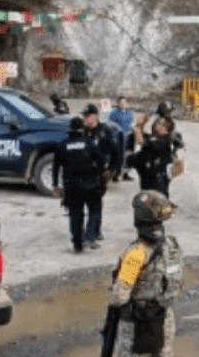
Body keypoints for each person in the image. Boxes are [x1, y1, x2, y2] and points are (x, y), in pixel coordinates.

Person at [108, 190, 184, 357]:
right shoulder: (173, 246)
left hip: (135, 324)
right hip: (164, 319)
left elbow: (119, 296)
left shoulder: (135, 254)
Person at [52, 116, 106, 253]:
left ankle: (78, 243)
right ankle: (90, 236)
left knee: (75, 213)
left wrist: (55, 184)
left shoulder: (63, 144)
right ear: (82, 129)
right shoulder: (89, 143)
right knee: (95, 210)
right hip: (90, 184)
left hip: (71, 185)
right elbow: (101, 161)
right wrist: (101, 176)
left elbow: (55, 166)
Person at [82, 103, 122, 242]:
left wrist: (113, 170)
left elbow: (116, 152)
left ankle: (91, 234)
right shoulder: (82, 131)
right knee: (90, 204)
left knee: (95, 203)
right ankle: (95, 231)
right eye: (85, 116)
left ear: (95, 116)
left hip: (99, 173)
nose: (86, 119)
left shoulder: (105, 131)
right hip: (83, 172)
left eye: (88, 116)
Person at [134, 114, 178, 199]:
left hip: (157, 183)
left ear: (166, 129)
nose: (156, 125)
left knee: (153, 203)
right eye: (157, 122)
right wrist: (143, 124)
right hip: (148, 179)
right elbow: (143, 136)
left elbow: (140, 141)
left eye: (160, 124)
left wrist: (138, 125)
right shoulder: (156, 137)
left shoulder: (164, 143)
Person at [108, 96, 136, 182]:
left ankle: (125, 174)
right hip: (119, 137)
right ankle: (115, 174)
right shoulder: (114, 113)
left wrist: (132, 129)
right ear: (118, 103)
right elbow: (111, 124)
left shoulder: (129, 113)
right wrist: (117, 131)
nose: (122, 104)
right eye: (121, 103)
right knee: (118, 156)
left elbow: (131, 123)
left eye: (124, 102)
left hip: (128, 137)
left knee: (128, 154)